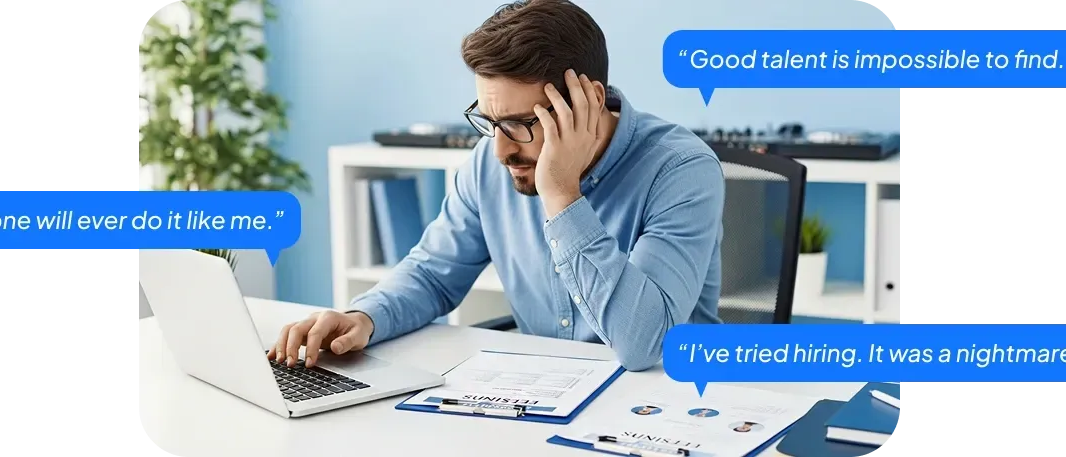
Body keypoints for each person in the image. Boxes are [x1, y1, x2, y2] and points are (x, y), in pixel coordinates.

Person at [268, 0, 725, 372]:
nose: (502, 150)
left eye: (522, 124)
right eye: (490, 123)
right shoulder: (491, 162)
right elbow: (432, 274)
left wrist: (562, 195)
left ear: (588, 103)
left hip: (669, 403)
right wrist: (362, 317)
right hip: (547, 392)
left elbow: (643, 344)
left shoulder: (681, 169)